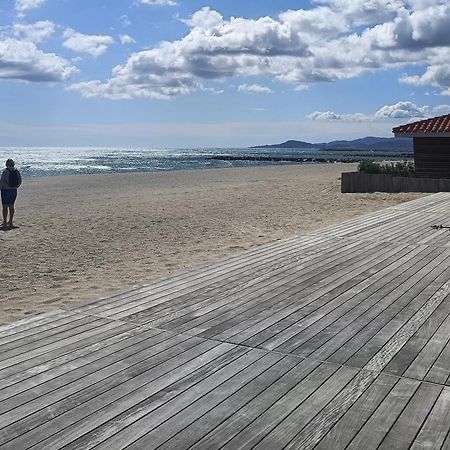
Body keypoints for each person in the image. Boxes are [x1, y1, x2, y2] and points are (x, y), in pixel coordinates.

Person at [0, 159, 22, 229]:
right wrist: (15, 187)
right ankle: (11, 222)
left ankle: (5, 222)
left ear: (7, 164)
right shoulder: (16, 171)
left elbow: (2, 182)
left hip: (5, 190)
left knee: (5, 207)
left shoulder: (5, 171)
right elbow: (20, 181)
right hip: (13, 190)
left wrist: (1, 188)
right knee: (11, 206)